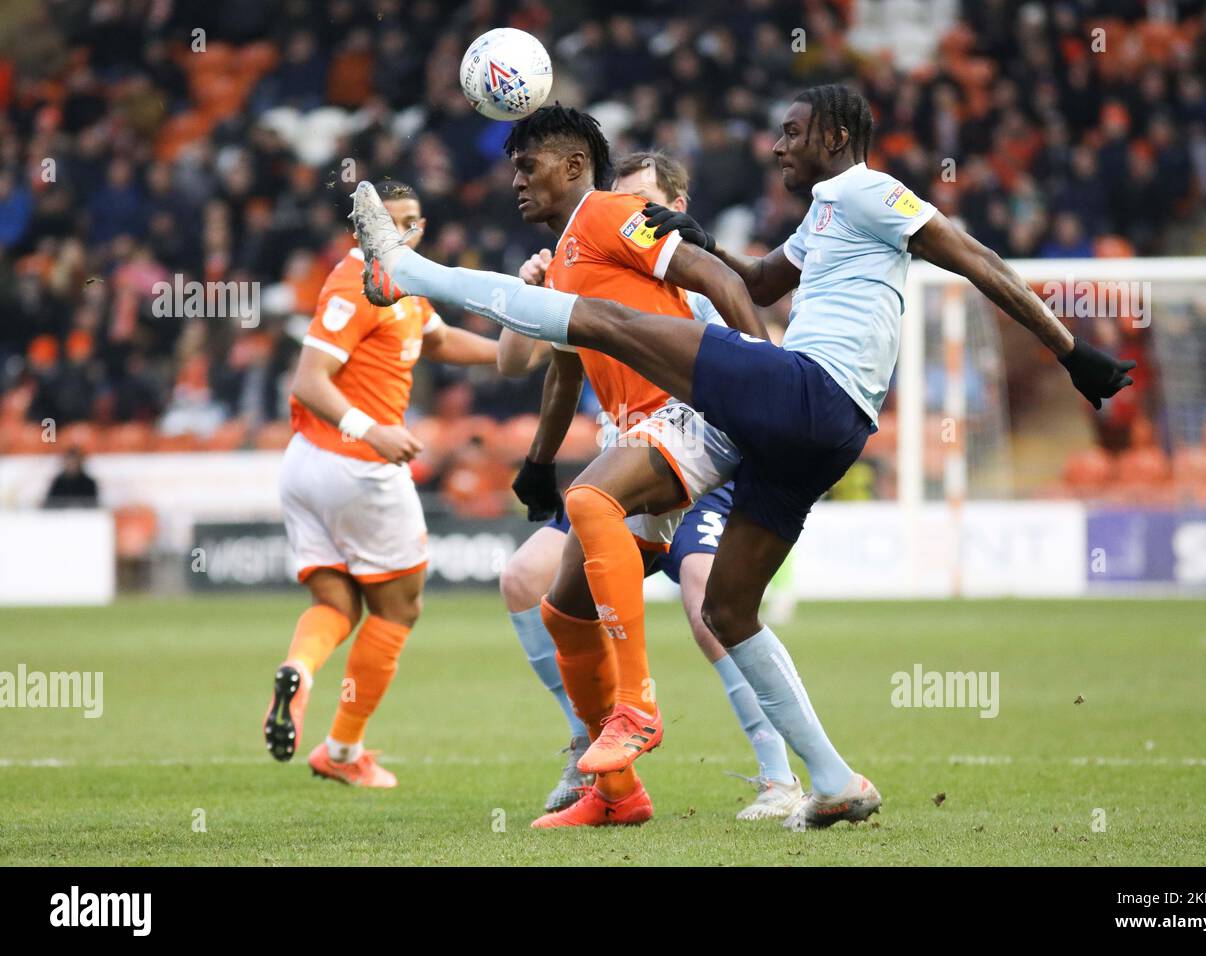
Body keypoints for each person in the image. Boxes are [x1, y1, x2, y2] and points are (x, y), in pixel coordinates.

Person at [349, 84, 1134, 827]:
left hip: (810, 391)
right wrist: (700, 240)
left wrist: (1070, 351)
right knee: (726, 609)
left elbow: (970, 255)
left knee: (598, 323)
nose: (777, 146)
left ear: (835, 136)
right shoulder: (826, 214)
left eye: (792, 133)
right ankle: (831, 783)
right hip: (817, 435)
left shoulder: (868, 189)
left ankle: (407, 271)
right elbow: (753, 279)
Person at [497, 150, 801, 822]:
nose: (628, 212)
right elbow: (516, 362)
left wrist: (773, 399)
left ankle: (780, 777)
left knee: (706, 605)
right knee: (526, 581)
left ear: (675, 205)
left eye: (642, 201)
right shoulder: (594, 261)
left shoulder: (691, 273)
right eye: (619, 200)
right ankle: (592, 747)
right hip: (622, 459)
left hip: (693, 457)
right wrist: (529, 293)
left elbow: (760, 335)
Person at [262, 180, 498, 787]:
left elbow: (437, 339)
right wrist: (373, 432)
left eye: (415, 221)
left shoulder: (400, 278)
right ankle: (342, 752)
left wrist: (507, 352)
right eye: (393, 223)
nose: (407, 233)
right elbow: (308, 381)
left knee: (335, 601)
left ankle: (300, 671)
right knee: (401, 606)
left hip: (308, 464)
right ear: (364, 229)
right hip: (356, 466)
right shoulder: (355, 282)